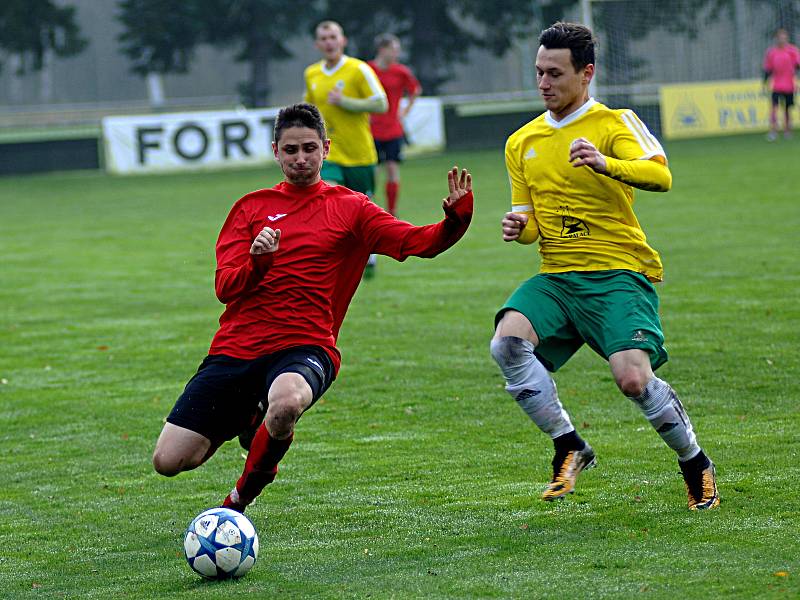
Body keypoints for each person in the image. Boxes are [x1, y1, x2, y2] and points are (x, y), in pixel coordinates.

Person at [151, 103, 473, 514]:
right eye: (290, 150)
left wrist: (455, 221)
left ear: (326, 148)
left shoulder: (352, 207)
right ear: (275, 152)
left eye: (308, 148)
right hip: (237, 349)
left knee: (285, 403)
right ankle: (251, 417)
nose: (300, 159)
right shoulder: (250, 207)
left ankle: (238, 502)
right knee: (170, 461)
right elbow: (224, 287)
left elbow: (418, 242)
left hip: (306, 345)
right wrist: (258, 263)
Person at [490, 22, 719, 511]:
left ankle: (695, 463)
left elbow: (661, 175)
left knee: (633, 380)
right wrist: (519, 228)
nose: (544, 83)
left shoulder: (615, 123)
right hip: (557, 276)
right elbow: (532, 221)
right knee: (508, 344)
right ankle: (568, 443)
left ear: (586, 73)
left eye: (555, 73)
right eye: (538, 72)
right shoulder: (521, 142)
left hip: (616, 272)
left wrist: (605, 163)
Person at [304, 20, 388, 277]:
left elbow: (381, 104)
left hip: (360, 152)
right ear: (318, 44)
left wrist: (346, 102)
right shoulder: (312, 74)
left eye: (333, 37)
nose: (329, 42)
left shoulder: (358, 70)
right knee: (326, 194)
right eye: (324, 38)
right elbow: (310, 108)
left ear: (343, 40)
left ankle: (368, 252)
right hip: (330, 151)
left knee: (362, 205)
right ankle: (334, 254)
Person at [368, 33, 422, 217]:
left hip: (393, 130)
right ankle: (369, 209)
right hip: (371, 130)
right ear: (382, 49)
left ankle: (392, 212)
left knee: (392, 169)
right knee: (371, 171)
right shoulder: (367, 69)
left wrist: (404, 111)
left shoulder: (401, 71)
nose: (397, 53)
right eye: (394, 49)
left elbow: (415, 90)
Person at [763, 28, 800, 141]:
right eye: (779, 37)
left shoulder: (792, 51)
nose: (782, 39)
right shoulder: (772, 52)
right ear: (776, 39)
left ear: (787, 38)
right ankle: (773, 131)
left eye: (784, 37)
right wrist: (764, 84)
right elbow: (768, 70)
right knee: (774, 107)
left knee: (787, 109)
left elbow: (798, 66)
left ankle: (787, 131)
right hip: (776, 86)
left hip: (789, 85)